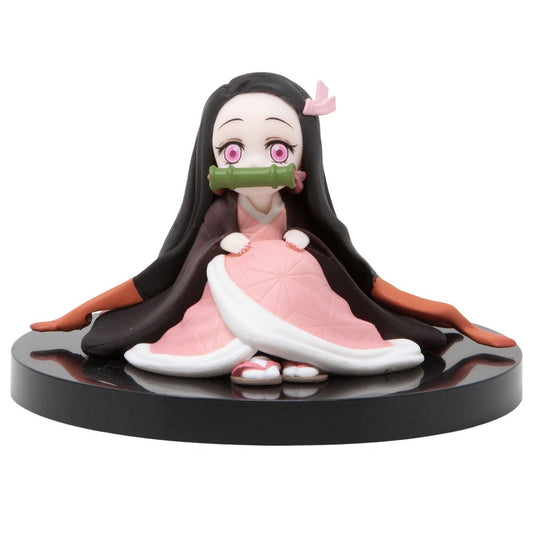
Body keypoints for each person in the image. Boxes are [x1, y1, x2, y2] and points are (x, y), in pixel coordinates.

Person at [31, 73, 515, 385]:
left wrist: (456, 318)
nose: (256, 163)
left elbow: (368, 284)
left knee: (313, 301)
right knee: (224, 313)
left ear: (301, 157)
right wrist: (80, 312)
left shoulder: (299, 213)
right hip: (233, 284)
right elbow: (162, 274)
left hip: (298, 285)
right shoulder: (221, 212)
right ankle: (251, 357)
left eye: (277, 149)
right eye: (235, 150)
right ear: (214, 159)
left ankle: (306, 356)